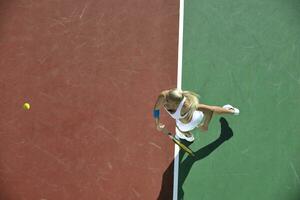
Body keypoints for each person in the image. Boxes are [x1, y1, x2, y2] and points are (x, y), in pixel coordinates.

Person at [153, 88, 239, 142]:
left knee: (179, 128)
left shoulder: (186, 106)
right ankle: (231, 111)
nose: (165, 103)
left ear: (176, 104)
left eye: (168, 101)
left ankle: (187, 135)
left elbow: (209, 111)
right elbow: (156, 109)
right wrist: (157, 123)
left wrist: (205, 125)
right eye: (166, 99)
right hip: (191, 116)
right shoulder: (163, 96)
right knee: (210, 109)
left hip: (192, 122)